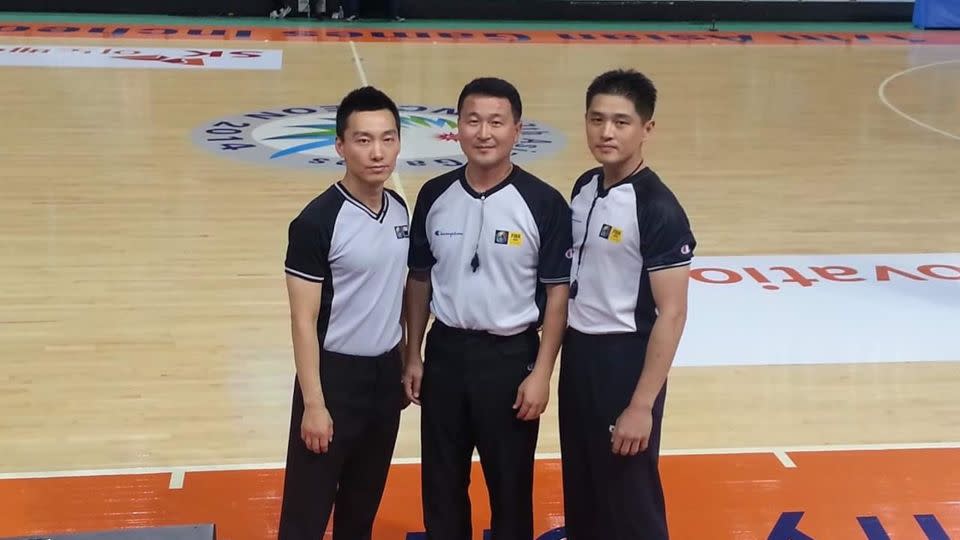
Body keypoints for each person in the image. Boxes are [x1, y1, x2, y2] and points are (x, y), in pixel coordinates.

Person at [402, 77, 572, 540]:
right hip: (446, 355)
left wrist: (542, 373)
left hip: (510, 360)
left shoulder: (544, 203)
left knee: (511, 489)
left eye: (496, 122)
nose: (483, 133)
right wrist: (413, 353)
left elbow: (558, 296)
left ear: (517, 131)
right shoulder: (434, 195)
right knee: (440, 484)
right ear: (456, 128)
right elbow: (418, 279)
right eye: (472, 120)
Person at [560, 69, 696, 540]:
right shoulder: (583, 187)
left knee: (629, 496)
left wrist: (642, 405)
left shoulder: (658, 208)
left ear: (647, 129)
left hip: (624, 361)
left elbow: (673, 313)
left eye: (621, 122)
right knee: (583, 488)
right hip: (579, 357)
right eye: (597, 120)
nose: (606, 132)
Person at [277, 86, 409, 540]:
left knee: (361, 510)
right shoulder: (316, 222)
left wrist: (409, 359)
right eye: (364, 139)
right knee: (306, 515)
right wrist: (314, 403)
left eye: (387, 139)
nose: (377, 152)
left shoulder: (400, 209)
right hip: (333, 380)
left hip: (384, 380)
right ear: (340, 146)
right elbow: (302, 320)